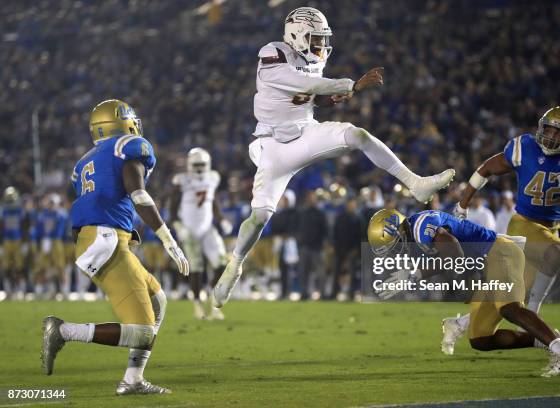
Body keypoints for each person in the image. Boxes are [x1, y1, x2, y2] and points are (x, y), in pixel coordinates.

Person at [212, 7, 455, 307]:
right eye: (315, 38)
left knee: (357, 135)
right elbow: (305, 85)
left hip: (306, 133)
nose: (321, 46)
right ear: (296, 35)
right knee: (260, 216)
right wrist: (351, 85)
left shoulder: (313, 61)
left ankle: (415, 183)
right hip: (272, 145)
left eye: (323, 39)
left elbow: (311, 98)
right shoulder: (272, 53)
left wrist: (332, 99)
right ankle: (235, 264)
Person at [41, 99, 189, 395]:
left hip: (96, 238)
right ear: (123, 122)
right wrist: (168, 239)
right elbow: (139, 196)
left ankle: (133, 379)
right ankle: (63, 331)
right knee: (144, 331)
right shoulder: (129, 146)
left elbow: (87, 203)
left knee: (158, 301)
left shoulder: (85, 161)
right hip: (106, 239)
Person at [367, 209, 560, 377]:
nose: (395, 251)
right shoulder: (416, 232)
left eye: (393, 245)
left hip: (499, 252)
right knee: (481, 338)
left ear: (396, 230)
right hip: (489, 261)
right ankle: (553, 340)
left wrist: (462, 281)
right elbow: (447, 255)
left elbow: (452, 249)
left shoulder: (420, 226)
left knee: (510, 308)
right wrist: (415, 274)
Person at [445, 107, 560, 346]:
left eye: (559, 133)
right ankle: (534, 316)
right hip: (523, 225)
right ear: (541, 127)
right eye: (549, 130)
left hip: (549, 230)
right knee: (556, 252)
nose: (552, 137)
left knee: (504, 305)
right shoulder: (524, 148)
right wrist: (463, 204)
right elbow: (485, 169)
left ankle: (462, 323)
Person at [170, 147, 231, 320]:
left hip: (207, 228)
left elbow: (212, 201)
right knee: (196, 268)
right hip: (189, 229)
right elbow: (172, 206)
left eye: (201, 164)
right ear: (190, 164)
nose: (198, 168)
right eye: (195, 164)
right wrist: (177, 225)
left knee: (221, 264)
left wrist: (221, 219)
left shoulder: (213, 177)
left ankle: (213, 299)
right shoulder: (181, 180)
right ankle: (197, 303)